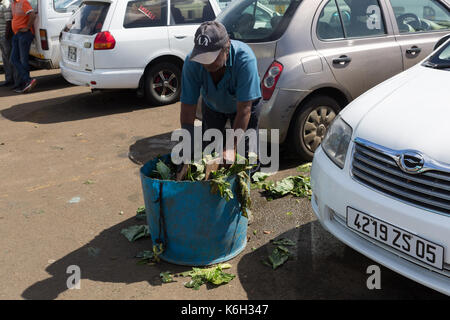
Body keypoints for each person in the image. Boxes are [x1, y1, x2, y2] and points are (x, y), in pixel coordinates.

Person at [179, 21, 261, 167]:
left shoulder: (245, 60)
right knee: (208, 154)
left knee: (246, 159)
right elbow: (187, 108)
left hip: (244, 108)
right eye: (202, 58)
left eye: (211, 58)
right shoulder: (192, 63)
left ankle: (245, 181)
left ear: (226, 48)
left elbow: (244, 110)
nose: (206, 64)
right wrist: (187, 149)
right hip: (212, 106)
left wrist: (230, 147)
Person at [10, 0, 36, 93]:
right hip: (17, 34)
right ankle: (26, 80)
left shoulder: (23, 2)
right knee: (13, 59)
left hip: (24, 34)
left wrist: (27, 27)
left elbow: (32, 15)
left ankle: (27, 81)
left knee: (23, 60)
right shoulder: (13, 3)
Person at [0, 0, 15, 87]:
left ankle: (12, 80)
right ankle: (8, 79)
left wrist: (6, 37)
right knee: (5, 58)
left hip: (5, 36)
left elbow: (8, 21)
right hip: (2, 36)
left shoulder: (6, 4)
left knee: (9, 58)